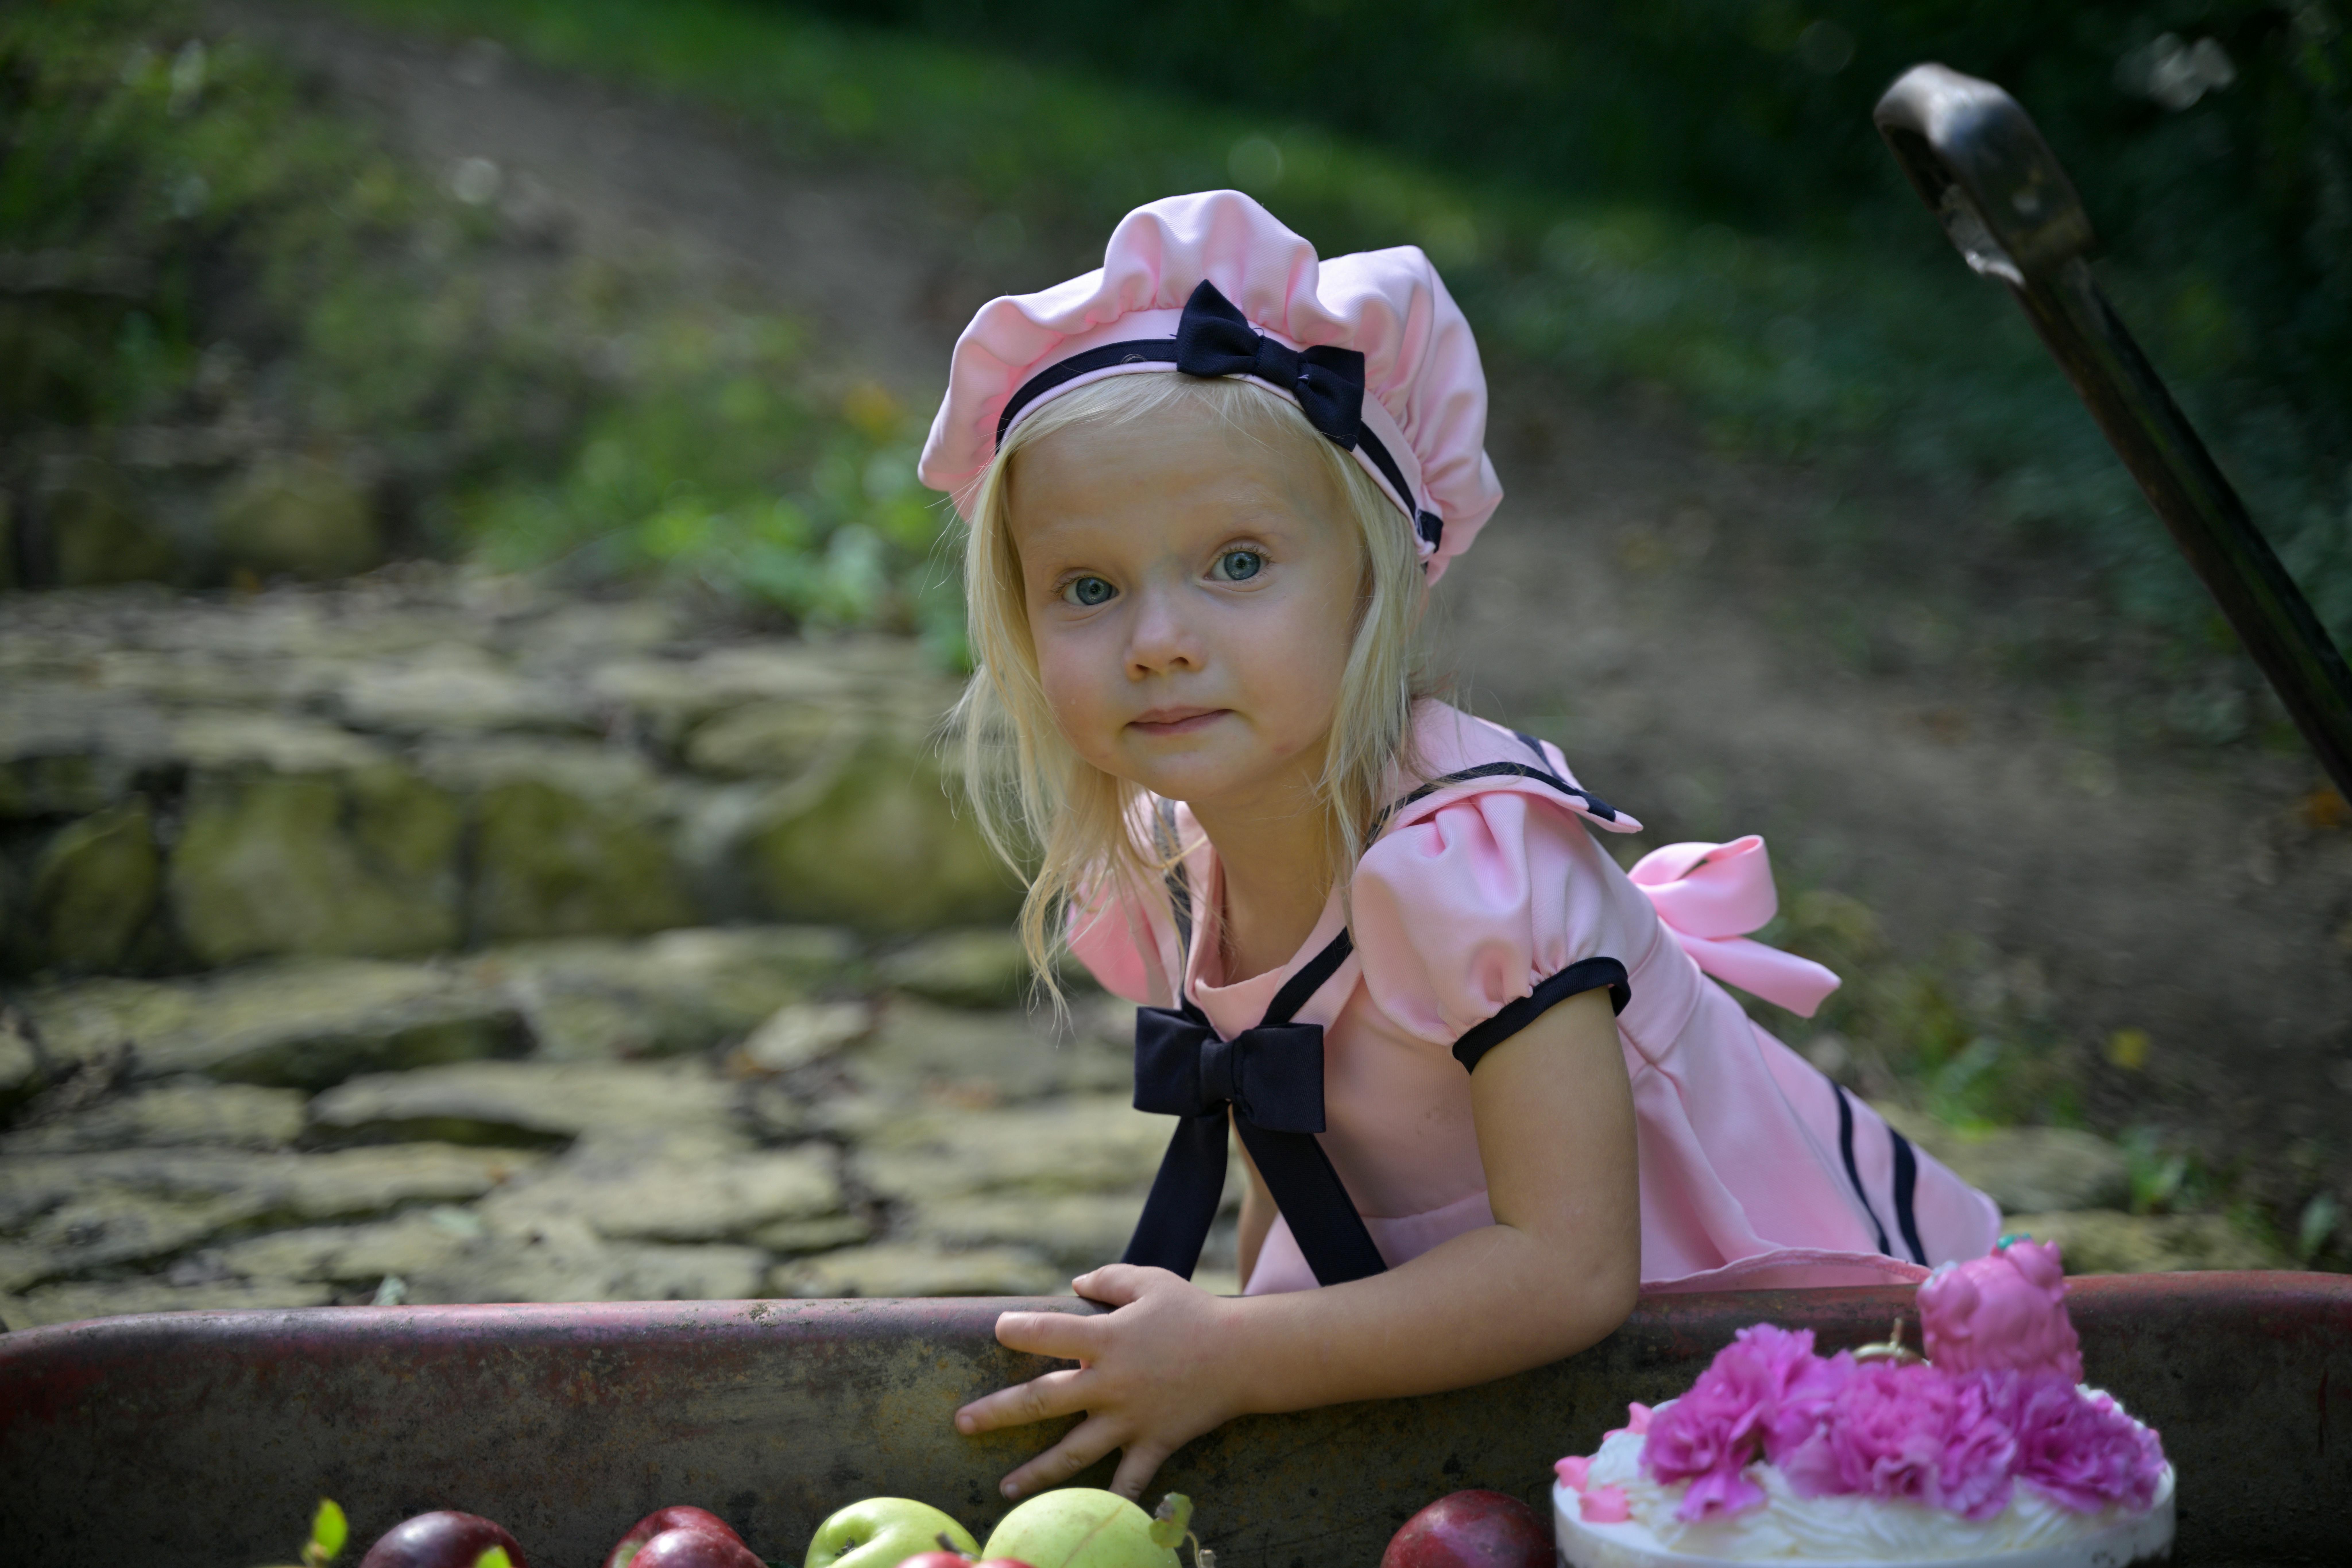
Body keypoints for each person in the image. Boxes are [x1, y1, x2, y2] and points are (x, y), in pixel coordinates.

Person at [914, 190, 2000, 1503]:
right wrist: (1233, 1345)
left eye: (1238, 562)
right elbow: (1298, 1149)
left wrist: (1239, 1359)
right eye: (1086, 589)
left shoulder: (1466, 868)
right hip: (1509, 1368)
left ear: (1376, 577)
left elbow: (1568, 1268)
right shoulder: (1175, 861)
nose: (1155, 637)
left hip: (1745, 1347)